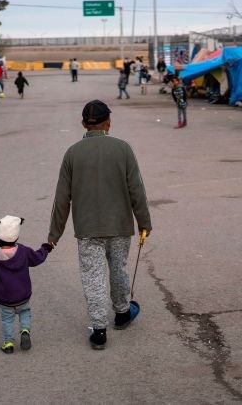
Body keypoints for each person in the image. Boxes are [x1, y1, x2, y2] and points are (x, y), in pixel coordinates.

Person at [48, 100, 152, 351]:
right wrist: (144, 222)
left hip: (87, 229)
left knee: (92, 276)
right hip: (119, 226)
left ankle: (99, 330)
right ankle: (122, 313)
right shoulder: (123, 149)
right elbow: (136, 189)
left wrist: (54, 235)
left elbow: (62, 198)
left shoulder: (72, 153)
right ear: (109, 122)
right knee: (118, 269)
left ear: (84, 124)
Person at [0, 215, 52, 354]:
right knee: (25, 312)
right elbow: (38, 258)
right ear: (16, 237)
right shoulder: (23, 251)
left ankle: (8, 344)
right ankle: (25, 330)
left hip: (5, 299)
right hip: (23, 295)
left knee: (7, 319)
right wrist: (46, 248)